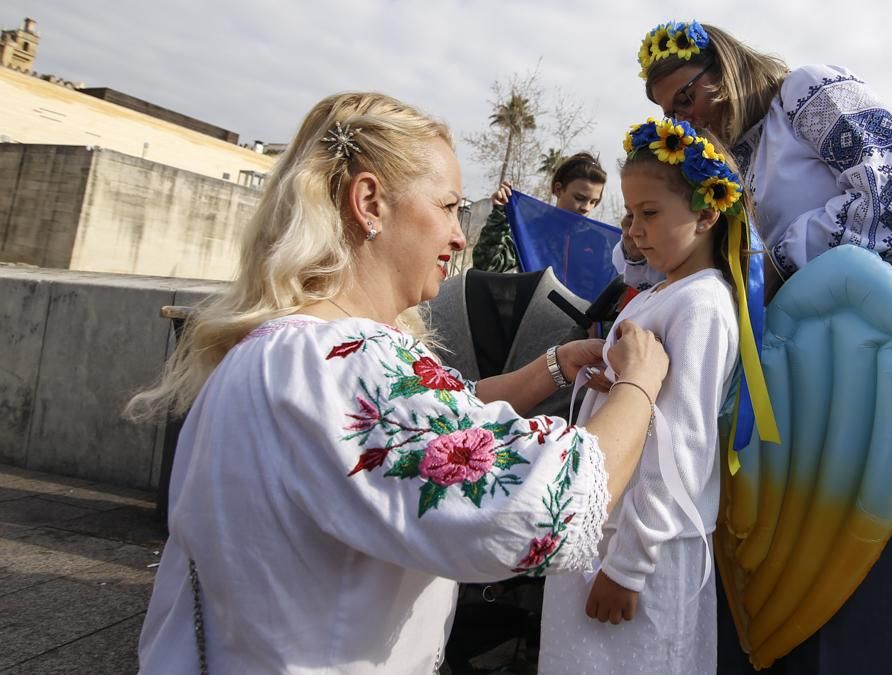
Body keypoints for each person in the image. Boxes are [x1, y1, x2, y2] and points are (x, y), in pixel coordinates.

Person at [124, 93, 672, 674]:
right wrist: (638, 385)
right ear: (369, 203)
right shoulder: (347, 359)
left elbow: (440, 430)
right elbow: (543, 507)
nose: (461, 236)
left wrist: (551, 367)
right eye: (447, 206)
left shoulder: (282, 346)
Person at [623, 20, 892, 674]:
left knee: (853, 543)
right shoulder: (723, 160)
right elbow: (654, 258)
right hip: (781, 355)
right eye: (665, 111)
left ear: (727, 69)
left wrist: (776, 261)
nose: (681, 117)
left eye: (685, 98)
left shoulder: (806, 93)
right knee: (774, 546)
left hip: (864, 335)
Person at [538, 119, 747, 674]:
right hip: (606, 526)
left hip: (642, 547)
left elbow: (683, 443)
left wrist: (628, 566)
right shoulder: (661, 292)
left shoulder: (701, 305)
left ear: (706, 213)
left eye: (649, 213)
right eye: (628, 214)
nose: (633, 229)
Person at [472, 152, 607, 272]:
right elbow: (487, 266)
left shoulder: (599, 243)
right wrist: (499, 215)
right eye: (579, 198)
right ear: (559, 189)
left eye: (593, 202)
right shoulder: (530, 232)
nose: (586, 208)